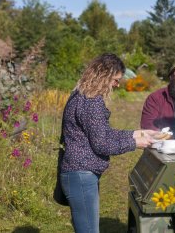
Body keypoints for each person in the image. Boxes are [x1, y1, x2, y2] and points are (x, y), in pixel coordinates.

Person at [60, 53, 159, 233]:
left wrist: (138, 133)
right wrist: (136, 143)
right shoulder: (92, 102)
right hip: (81, 175)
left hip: (77, 173)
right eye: (115, 79)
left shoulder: (79, 95)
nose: (117, 84)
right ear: (104, 75)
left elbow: (102, 134)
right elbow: (103, 144)